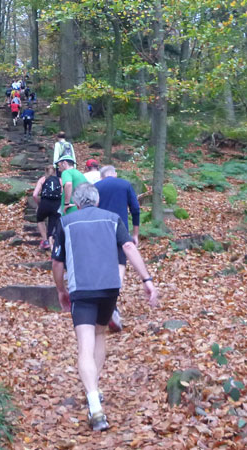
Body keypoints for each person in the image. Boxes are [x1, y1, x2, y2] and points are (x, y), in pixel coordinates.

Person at [51, 183, 158, 432]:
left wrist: (60, 290)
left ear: (77, 204)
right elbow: (129, 247)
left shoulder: (66, 222)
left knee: (85, 345)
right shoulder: (112, 219)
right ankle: (95, 390)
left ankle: (94, 405)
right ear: (97, 201)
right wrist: (147, 280)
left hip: (81, 290)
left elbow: (57, 263)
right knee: (100, 333)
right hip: (109, 289)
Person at [95, 165, 141, 332]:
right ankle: (111, 306)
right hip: (120, 232)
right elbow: (135, 209)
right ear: (114, 173)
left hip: (100, 233)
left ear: (102, 176)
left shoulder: (96, 187)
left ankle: (107, 307)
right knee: (120, 267)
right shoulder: (125, 184)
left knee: (103, 268)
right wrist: (135, 233)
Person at [32, 165, 62, 250]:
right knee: (52, 224)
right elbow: (63, 192)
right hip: (56, 204)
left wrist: (39, 204)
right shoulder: (60, 180)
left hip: (45, 203)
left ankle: (45, 241)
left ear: (46, 171)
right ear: (55, 172)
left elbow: (34, 195)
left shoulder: (42, 179)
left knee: (40, 218)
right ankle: (51, 244)